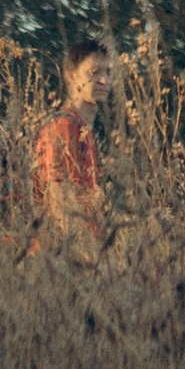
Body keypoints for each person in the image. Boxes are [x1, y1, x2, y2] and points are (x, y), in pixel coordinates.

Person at [29, 37, 114, 256]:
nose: (104, 80)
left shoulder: (84, 130)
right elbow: (61, 201)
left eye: (108, 72)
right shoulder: (64, 127)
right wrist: (89, 259)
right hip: (55, 258)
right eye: (94, 73)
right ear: (70, 76)